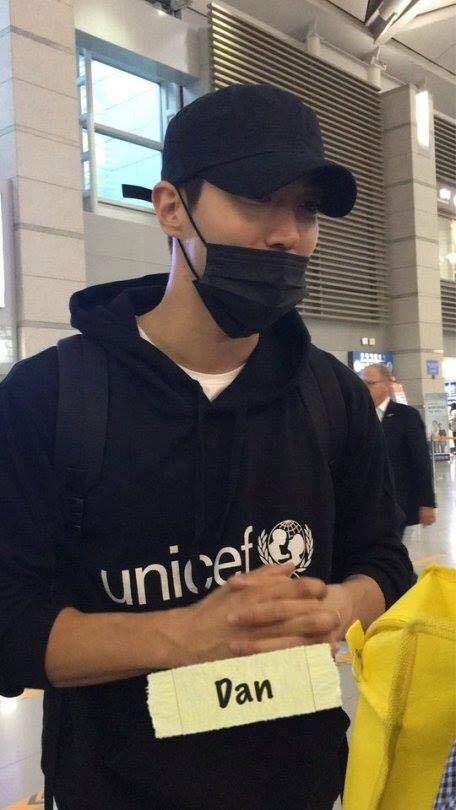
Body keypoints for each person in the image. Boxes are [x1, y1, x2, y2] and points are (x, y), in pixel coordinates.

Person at [0, 84, 415, 810]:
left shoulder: (330, 395)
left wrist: (340, 604)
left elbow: (383, 559)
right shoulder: (49, 399)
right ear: (170, 208)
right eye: (258, 200)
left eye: (307, 210)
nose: (289, 235)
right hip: (115, 789)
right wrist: (193, 634)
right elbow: (11, 627)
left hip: (303, 784)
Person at [362, 363, 437, 531]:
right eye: (362, 383)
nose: (365, 388)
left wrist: (427, 503)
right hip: (365, 504)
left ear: (387, 384)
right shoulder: (358, 416)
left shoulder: (406, 416)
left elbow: (420, 461)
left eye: (370, 383)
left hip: (398, 503)